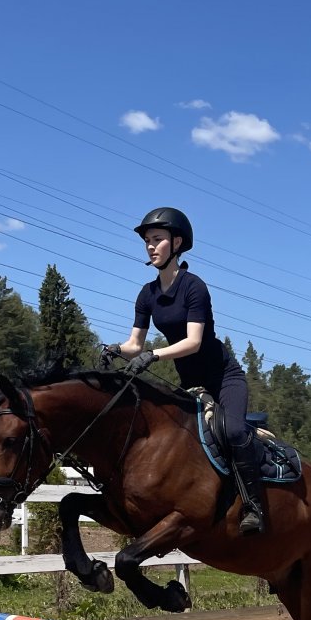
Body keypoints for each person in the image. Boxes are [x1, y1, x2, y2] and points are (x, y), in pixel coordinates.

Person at [103, 207, 268, 534]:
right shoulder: (147, 294)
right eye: (147, 241)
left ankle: (254, 507)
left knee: (234, 433)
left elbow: (193, 342)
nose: (151, 246)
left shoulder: (194, 287)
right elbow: (135, 343)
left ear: (176, 243)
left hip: (223, 378)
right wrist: (114, 350)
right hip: (191, 383)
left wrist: (153, 355)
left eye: (157, 239)